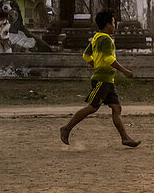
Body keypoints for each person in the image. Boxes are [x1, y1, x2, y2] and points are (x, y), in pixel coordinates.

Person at [60, 10, 140, 148]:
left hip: (107, 80)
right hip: (102, 80)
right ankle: (66, 128)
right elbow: (109, 59)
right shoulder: (106, 39)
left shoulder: (97, 37)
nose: (115, 26)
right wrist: (125, 71)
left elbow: (86, 56)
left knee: (116, 107)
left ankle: (125, 138)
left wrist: (97, 65)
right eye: (114, 23)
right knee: (92, 107)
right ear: (108, 25)